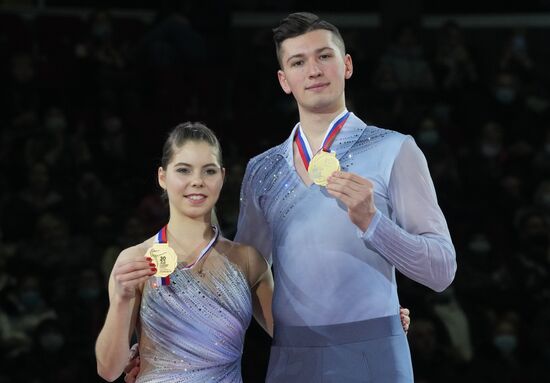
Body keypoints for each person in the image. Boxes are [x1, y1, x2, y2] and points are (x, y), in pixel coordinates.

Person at [233, 12, 456, 382]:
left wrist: (373, 223)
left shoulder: (396, 149)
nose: (314, 70)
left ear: (347, 65)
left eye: (325, 56)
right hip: (293, 358)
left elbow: (441, 271)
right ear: (284, 80)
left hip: (375, 355)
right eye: (298, 62)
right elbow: (244, 278)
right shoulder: (262, 169)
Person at [95, 122, 275, 382]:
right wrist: (122, 301)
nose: (197, 181)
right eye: (183, 170)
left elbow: (296, 342)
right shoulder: (135, 260)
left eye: (209, 171)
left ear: (222, 178)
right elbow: (109, 370)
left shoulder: (248, 261)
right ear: (162, 177)